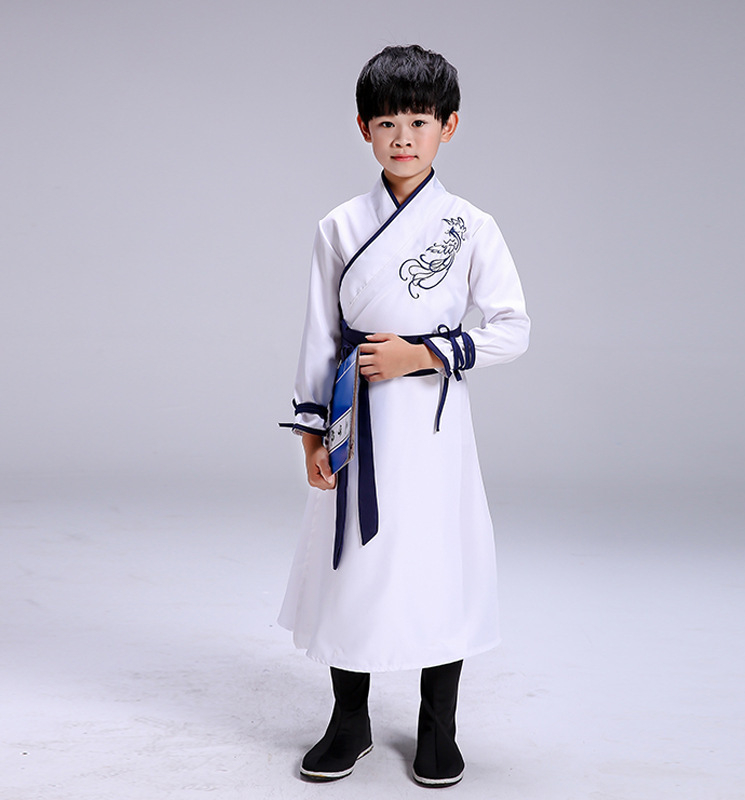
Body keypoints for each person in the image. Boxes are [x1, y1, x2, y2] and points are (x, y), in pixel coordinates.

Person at [278, 44, 530, 786]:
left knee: (436, 560)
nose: (403, 138)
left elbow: (513, 327)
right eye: (387, 122)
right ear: (364, 128)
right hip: (356, 414)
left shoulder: (470, 226)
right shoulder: (338, 226)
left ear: (449, 126)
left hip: (432, 425)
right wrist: (312, 432)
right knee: (353, 565)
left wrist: (422, 355)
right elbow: (320, 335)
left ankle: (437, 725)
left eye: (419, 121)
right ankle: (349, 720)